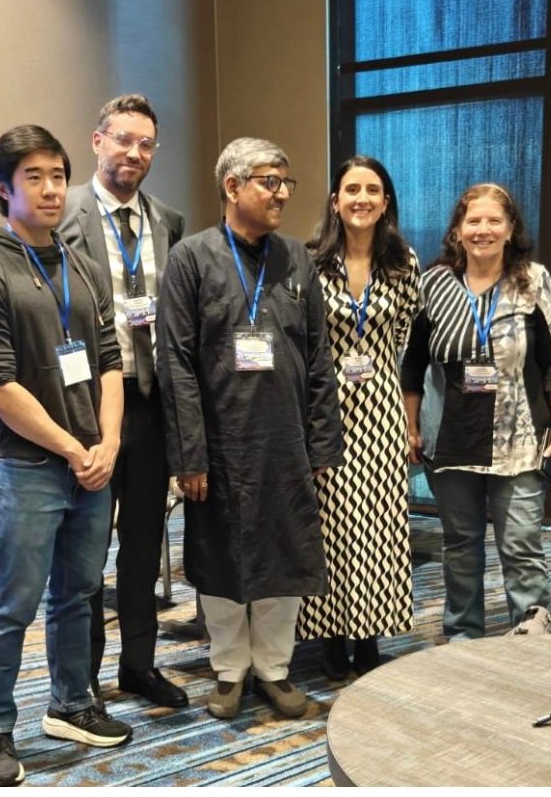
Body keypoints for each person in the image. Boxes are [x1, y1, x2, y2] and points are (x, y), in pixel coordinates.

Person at [0, 125, 133, 787]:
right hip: (27, 468)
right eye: (35, 176)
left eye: (58, 174)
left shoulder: (82, 266)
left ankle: (71, 704)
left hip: (92, 466)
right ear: (4, 188)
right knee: (14, 603)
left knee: (78, 594)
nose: (53, 188)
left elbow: (109, 362)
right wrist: (74, 448)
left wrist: (109, 442)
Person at [157, 138, 342, 719]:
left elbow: (318, 357)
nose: (282, 193)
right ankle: (229, 671)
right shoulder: (191, 259)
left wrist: (322, 442)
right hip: (220, 446)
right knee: (221, 558)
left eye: (286, 182)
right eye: (269, 181)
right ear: (232, 187)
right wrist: (189, 455)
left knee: (284, 557)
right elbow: (175, 361)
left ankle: (275, 670)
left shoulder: (296, 260)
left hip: (286, 443)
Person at [402, 183, 551, 641]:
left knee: (521, 547)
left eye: (494, 220)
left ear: (510, 228)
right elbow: (412, 363)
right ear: (458, 231)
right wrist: (411, 425)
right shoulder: (433, 284)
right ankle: (463, 638)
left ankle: (534, 641)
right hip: (450, 439)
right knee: (461, 547)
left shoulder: (532, 280)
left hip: (517, 442)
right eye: (473, 220)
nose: (483, 229)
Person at [60, 93, 188, 711]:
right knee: (86, 551)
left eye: (145, 144)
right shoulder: (65, 215)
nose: (134, 153)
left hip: (153, 404)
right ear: (98, 141)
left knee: (142, 546)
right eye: (123, 139)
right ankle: (81, 679)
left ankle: (139, 665)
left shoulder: (169, 222)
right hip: (90, 408)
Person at [297, 155, 420, 678]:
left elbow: (404, 334)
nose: (361, 198)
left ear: (385, 202)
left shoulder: (403, 262)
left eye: (372, 190)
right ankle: (330, 633)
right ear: (335, 201)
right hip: (327, 411)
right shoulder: (310, 261)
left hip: (381, 410)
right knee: (331, 527)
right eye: (352, 189)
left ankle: (368, 635)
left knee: (380, 525)